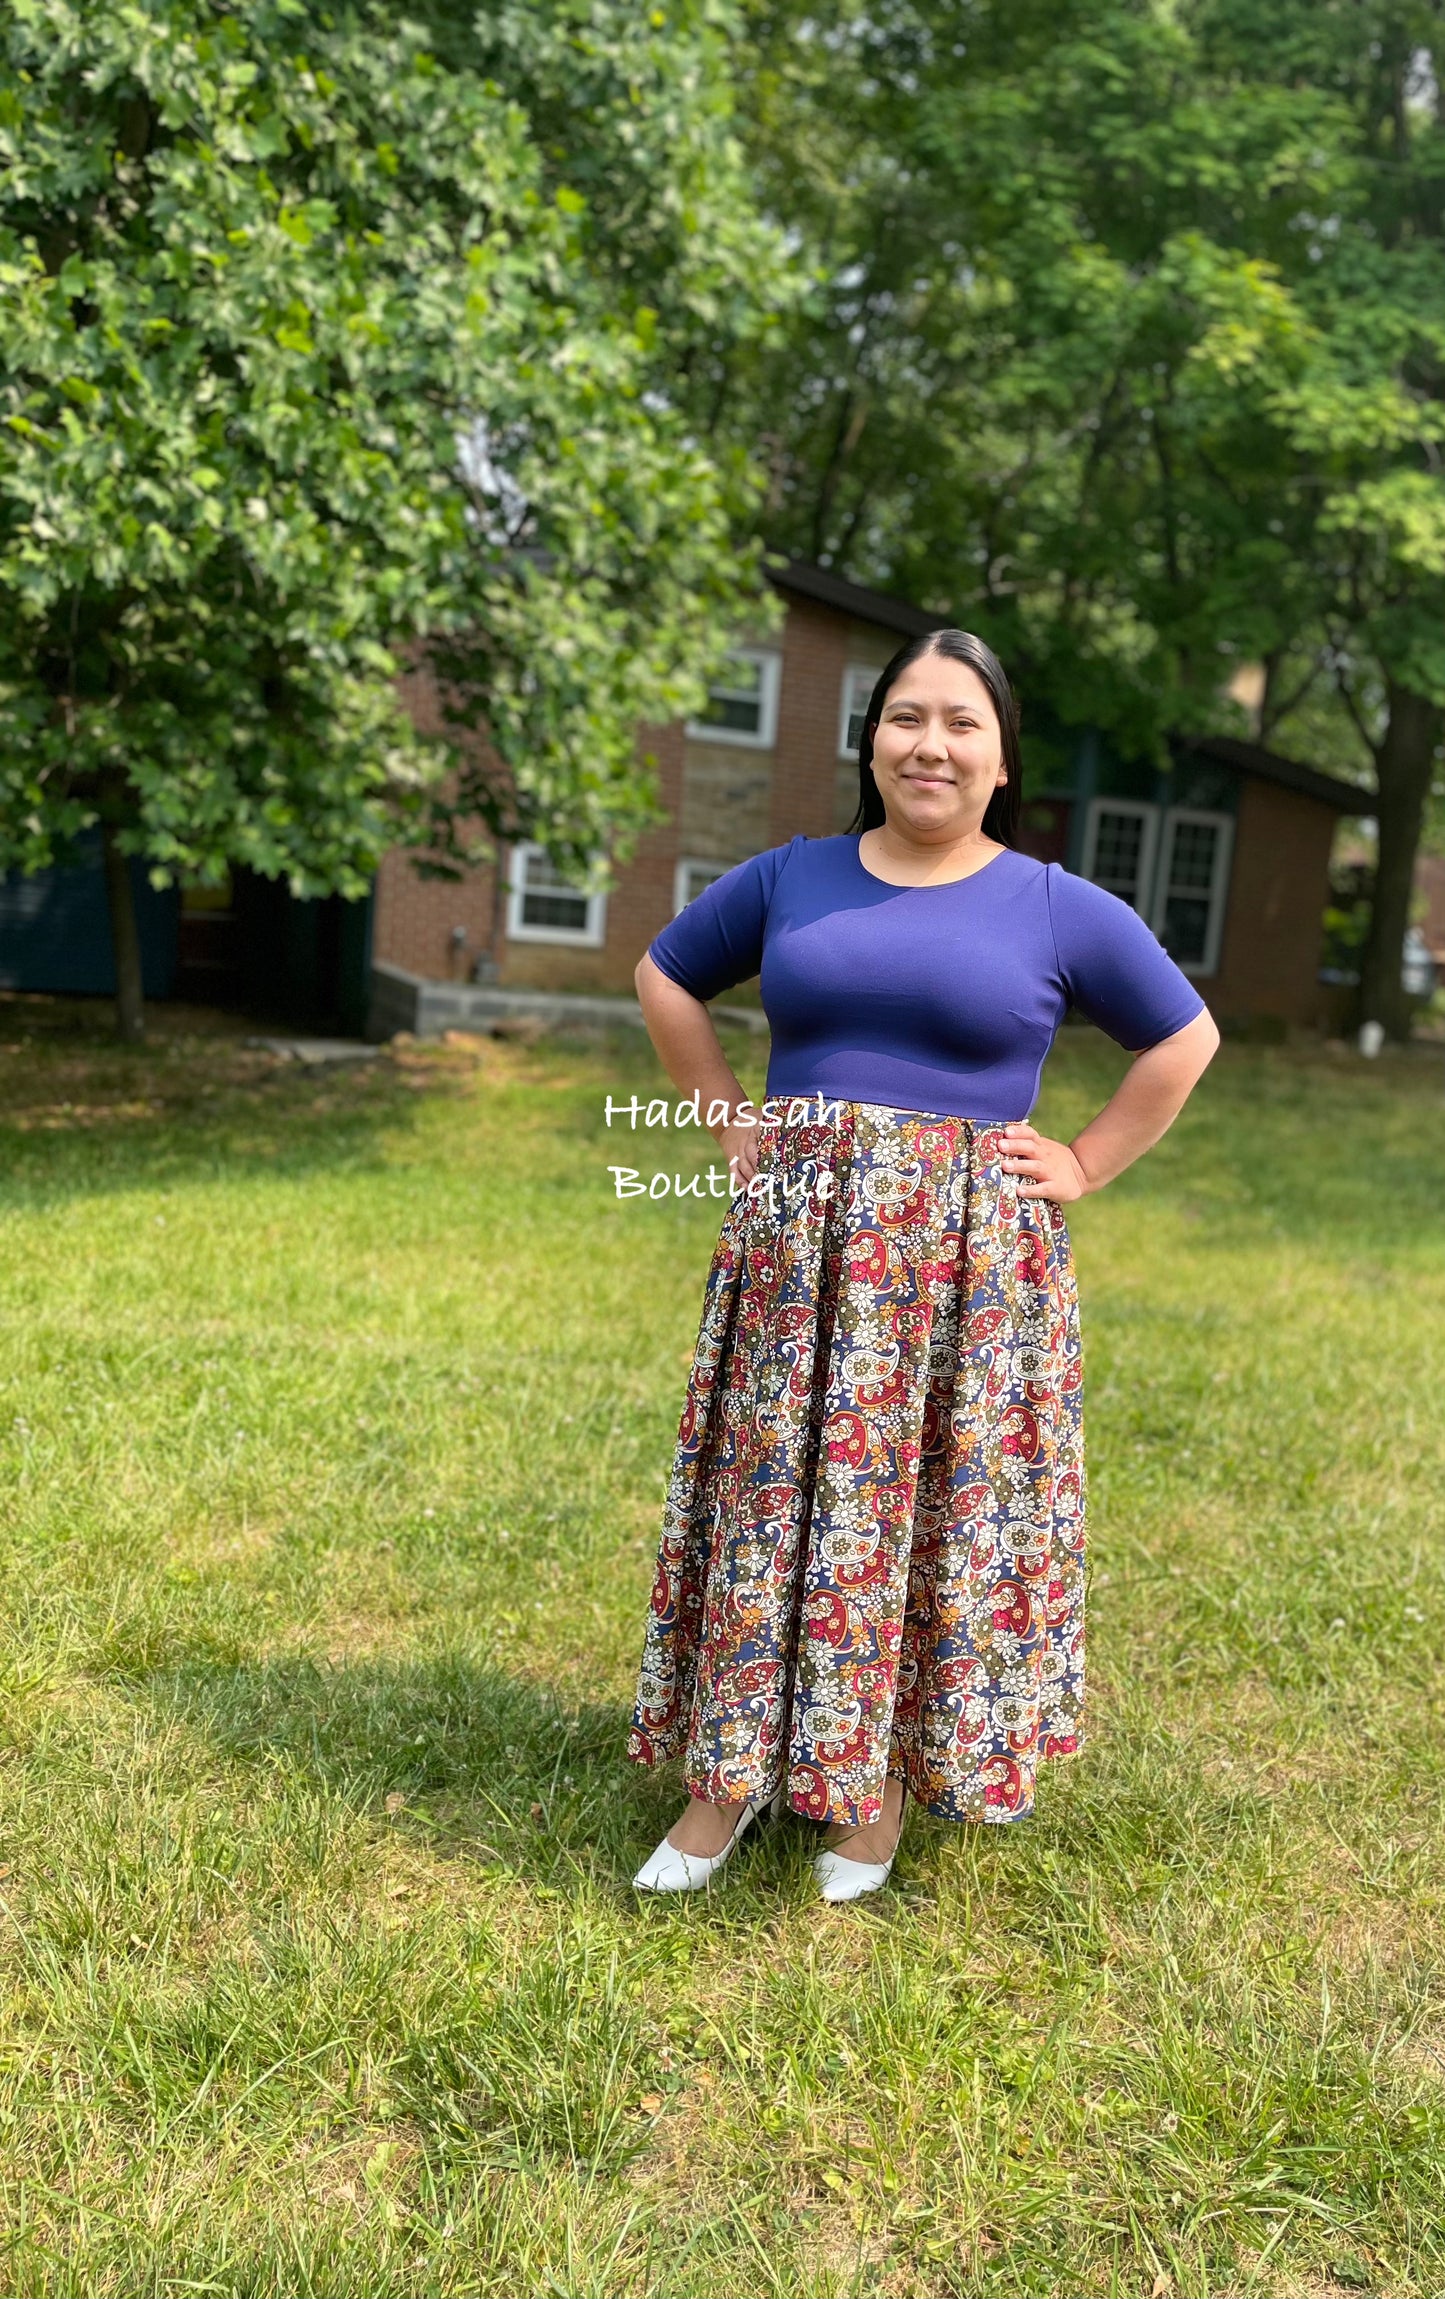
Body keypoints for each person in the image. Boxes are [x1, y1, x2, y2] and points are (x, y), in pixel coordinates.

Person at [625, 629, 1219, 1902]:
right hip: (803, 1257)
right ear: (871, 740)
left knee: (922, 1515)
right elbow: (666, 976)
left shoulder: (1056, 905)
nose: (928, 744)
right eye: (904, 717)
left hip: (966, 1271)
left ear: (1001, 759)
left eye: (960, 723)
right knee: (771, 1499)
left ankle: (876, 1793)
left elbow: (1182, 1035)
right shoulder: (795, 876)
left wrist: (1087, 1161)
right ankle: (723, 1781)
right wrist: (730, 1120)